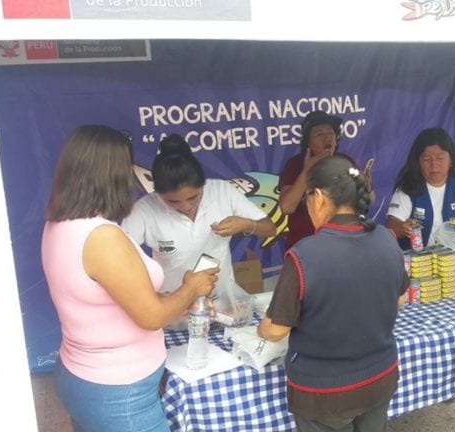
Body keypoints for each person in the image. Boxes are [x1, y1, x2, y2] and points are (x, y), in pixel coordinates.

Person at [41, 125, 219, 431]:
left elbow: (114, 301)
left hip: (85, 377)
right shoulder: (101, 236)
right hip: (118, 392)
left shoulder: (59, 224)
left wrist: (176, 302)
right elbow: (150, 316)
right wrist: (190, 289)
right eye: (125, 167)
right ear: (112, 174)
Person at [258, 156, 408, 432]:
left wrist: (260, 329)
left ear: (319, 197)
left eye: (307, 198)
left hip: (325, 393)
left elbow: (275, 330)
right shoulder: (387, 238)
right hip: (379, 378)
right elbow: (400, 298)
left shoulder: (305, 255)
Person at [121, 134, 276, 326]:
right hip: (174, 308)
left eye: (194, 197)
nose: (186, 206)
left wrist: (245, 224)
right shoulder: (144, 210)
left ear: (204, 185)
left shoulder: (222, 192)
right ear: (157, 194)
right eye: (173, 201)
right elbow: (121, 261)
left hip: (222, 304)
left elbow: (270, 228)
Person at [386, 127, 455, 249]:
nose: (434, 165)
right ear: (417, 162)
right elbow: (391, 225)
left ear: (451, 160)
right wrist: (403, 227)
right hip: (419, 261)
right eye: (427, 159)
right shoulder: (408, 186)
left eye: (440, 158)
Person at [278, 110, 362, 251]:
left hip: (344, 243)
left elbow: (367, 199)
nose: (327, 138)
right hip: (306, 248)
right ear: (308, 142)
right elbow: (286, 207)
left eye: (330, 133)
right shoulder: (295, 164)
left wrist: (366, 186)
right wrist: (307, 171)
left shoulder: (345, 162)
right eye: (319, 134)